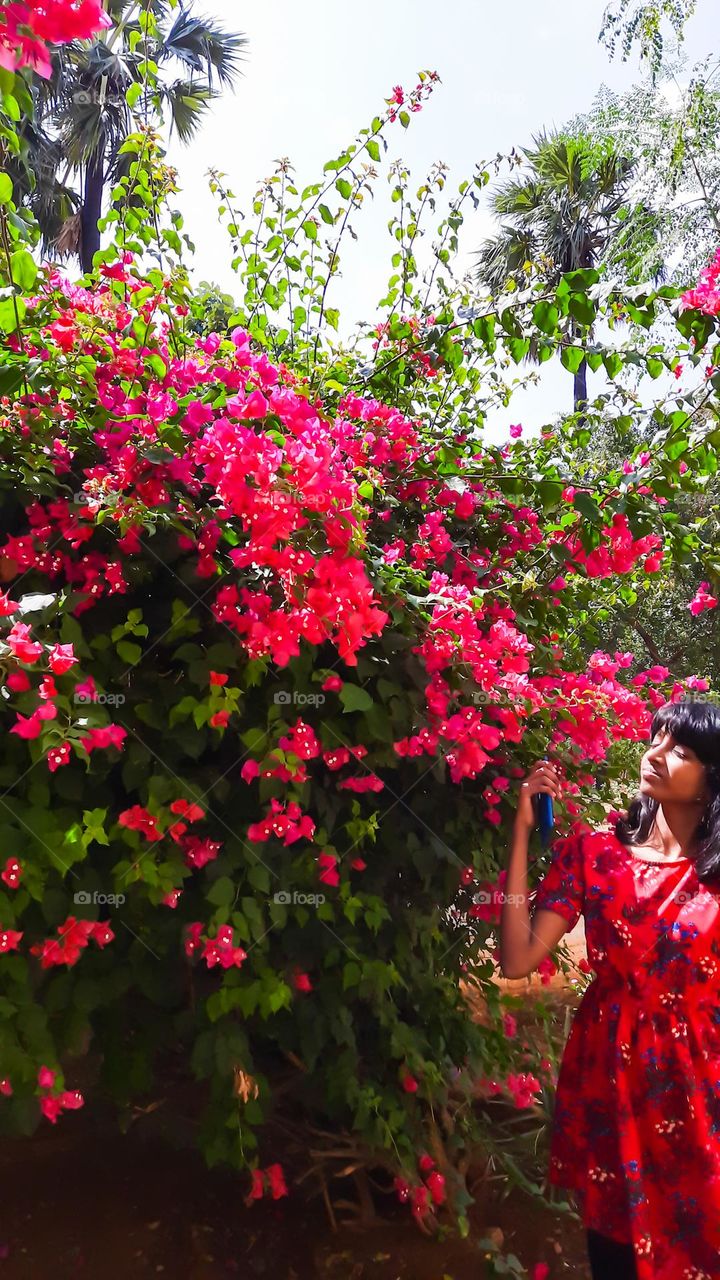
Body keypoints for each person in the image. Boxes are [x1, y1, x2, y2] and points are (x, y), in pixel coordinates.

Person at [498, 697, 720, 1280]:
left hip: (699, 1093)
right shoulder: (594, 855)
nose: (659, 754)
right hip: (610, 1085)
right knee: (615, 1253)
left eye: (684, 750)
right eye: (659, 739)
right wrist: (521, 835)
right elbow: (518, 957)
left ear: (712, 780)